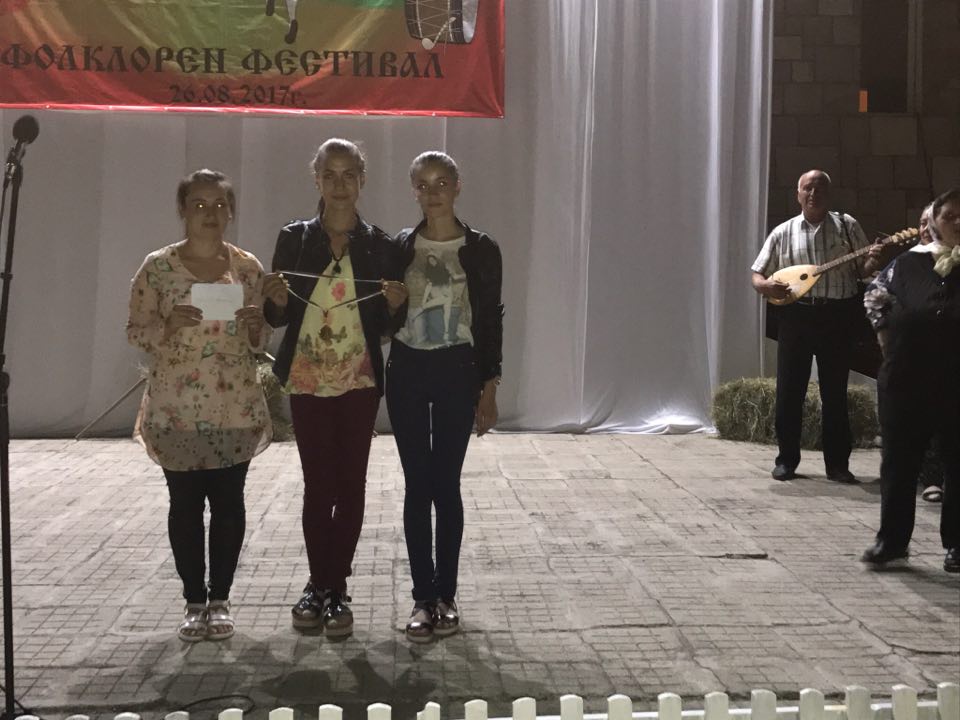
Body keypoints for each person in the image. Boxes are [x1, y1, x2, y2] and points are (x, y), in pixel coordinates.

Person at [262, 138, 407, 638]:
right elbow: (277, 316)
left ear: (362, 180)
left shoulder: (380, 245)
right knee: (318, 485)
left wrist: (395, 305)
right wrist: (275, 299)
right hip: (307, 376)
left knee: (351, 486)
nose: (339, 184)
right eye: (330, 174)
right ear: (317, 179)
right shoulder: (295, 238)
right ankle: (319, 584)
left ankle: (335, 587)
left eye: (349, 174)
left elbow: (386, 325)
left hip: (358, 379)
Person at [127, 169, 272, 641]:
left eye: (219, 205)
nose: (210, 214)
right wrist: (167, 326)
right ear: (183, 210)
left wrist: (256, 326)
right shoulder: (158, 267)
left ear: (231, 211)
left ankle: (221, 598)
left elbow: (260, 341)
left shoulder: (247, 267)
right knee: (185, 506)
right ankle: (193, 599)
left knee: (229, 504)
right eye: (199, 205)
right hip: (176, 409)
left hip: (234, 406)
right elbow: (135, 331)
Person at [387, 151, 503, 643]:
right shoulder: (400, 247)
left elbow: (490, 319)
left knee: (446, 484)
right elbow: (385, 320)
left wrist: (489, 387)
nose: (433, 192)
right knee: (418, 485)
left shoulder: (480, 248)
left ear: (458, 186)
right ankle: (422, 597)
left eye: (441, 183)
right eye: (423, 184)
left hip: (457, 368)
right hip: (408, 369)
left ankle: (447, 596)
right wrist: (389, 308)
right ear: (413, 190)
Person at [751, 169, 882, 483]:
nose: (814, 193)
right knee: (789, 391)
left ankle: (837, 465)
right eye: (808, 188)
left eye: (820, 188)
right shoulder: (783, 232)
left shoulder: (847, 226)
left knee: (835, 393)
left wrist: (874, 259)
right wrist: (765, 286)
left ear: (829, 194)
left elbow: (862, 270)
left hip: (837, 317)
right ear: (798, 194)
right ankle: (786, 461)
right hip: (796, 316)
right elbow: (757, 273)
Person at [861, 188, 960, 573]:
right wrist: (886, 334)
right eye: (949, 215)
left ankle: (957, 545)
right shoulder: (907, 263)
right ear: (934, 221)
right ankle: (892, 541)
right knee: (898, 463)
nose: (957, 222)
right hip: (906, 378)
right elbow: (875, 296)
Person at [913, 205, 945, 505]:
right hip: (915, 351)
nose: (925, 229)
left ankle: (937, 477)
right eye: (922, 223)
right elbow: (878, 297)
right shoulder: (908, 261)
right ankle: (928, 476)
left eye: (930, 222)